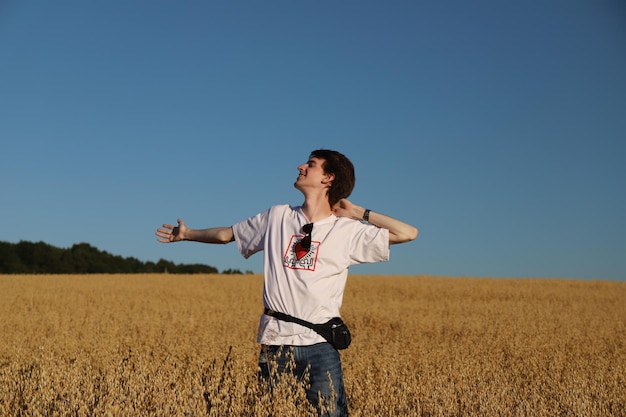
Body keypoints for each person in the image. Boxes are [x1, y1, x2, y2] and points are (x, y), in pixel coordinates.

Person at [155, 149, 418, 416]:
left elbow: (407, 233)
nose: (301, 166)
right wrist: (188, 234)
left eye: (311, 165)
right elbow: (227, 235)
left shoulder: (346, 231)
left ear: (328, 178)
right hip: (275, 342)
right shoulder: (277, 216)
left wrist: (357, 210)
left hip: (320, 346)